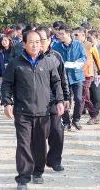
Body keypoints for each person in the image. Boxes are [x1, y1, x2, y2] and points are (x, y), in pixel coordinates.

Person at [1, 30, 65, 190]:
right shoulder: (16, 63)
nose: (35, 45)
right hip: (22, 111)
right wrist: (7, 102)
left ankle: (38, 171)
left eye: (38, 41)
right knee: (23, 144)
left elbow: (56, 82)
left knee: (39, 144)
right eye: (31, 42)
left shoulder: (48, 61)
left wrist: (60, 101)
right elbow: (6, 84)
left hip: (43, 112)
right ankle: (23, 178)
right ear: (24, 44)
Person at [36, 26, 70, 173]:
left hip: (55, 100)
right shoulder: (29, 57)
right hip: (36, 103)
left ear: (50, 40)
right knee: (40, 134)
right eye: (37, 40)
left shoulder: (56, 56)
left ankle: (55, 160)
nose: (39, 43)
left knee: (57, 131)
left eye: (43, 39)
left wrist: (66, 97)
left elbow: (63, 79)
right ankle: (38, 163)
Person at [52, 24, 87, 131]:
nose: (59, 36)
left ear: (68, 34)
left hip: (77, 76)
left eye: (62, 34)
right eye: (58, 34)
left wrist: (77, 63)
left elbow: (84, 57)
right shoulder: (56, 46)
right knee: (65, 100)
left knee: (78, 98)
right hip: (63, 77)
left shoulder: (78, 44)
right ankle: (66, 122)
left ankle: (76, 119)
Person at [73, 27, 100, 125]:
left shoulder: (91, 46)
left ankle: (91, 116)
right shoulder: (74, 45)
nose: (74, 36)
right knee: (81, 96)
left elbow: (98, 61)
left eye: (76, 35)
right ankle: (79, 115)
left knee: (84, 96)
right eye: (74, 35)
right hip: (77, 74)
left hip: (87, 75)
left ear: (83, 35)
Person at [87, 30, 100, 116]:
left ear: (95, 37)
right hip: (88, 74)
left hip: (97, 74)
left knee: (97, 95)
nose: (88, 39)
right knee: (90, 94)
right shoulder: (87, 46)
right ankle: (92, 113)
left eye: (90, 38)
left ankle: (96, 114)